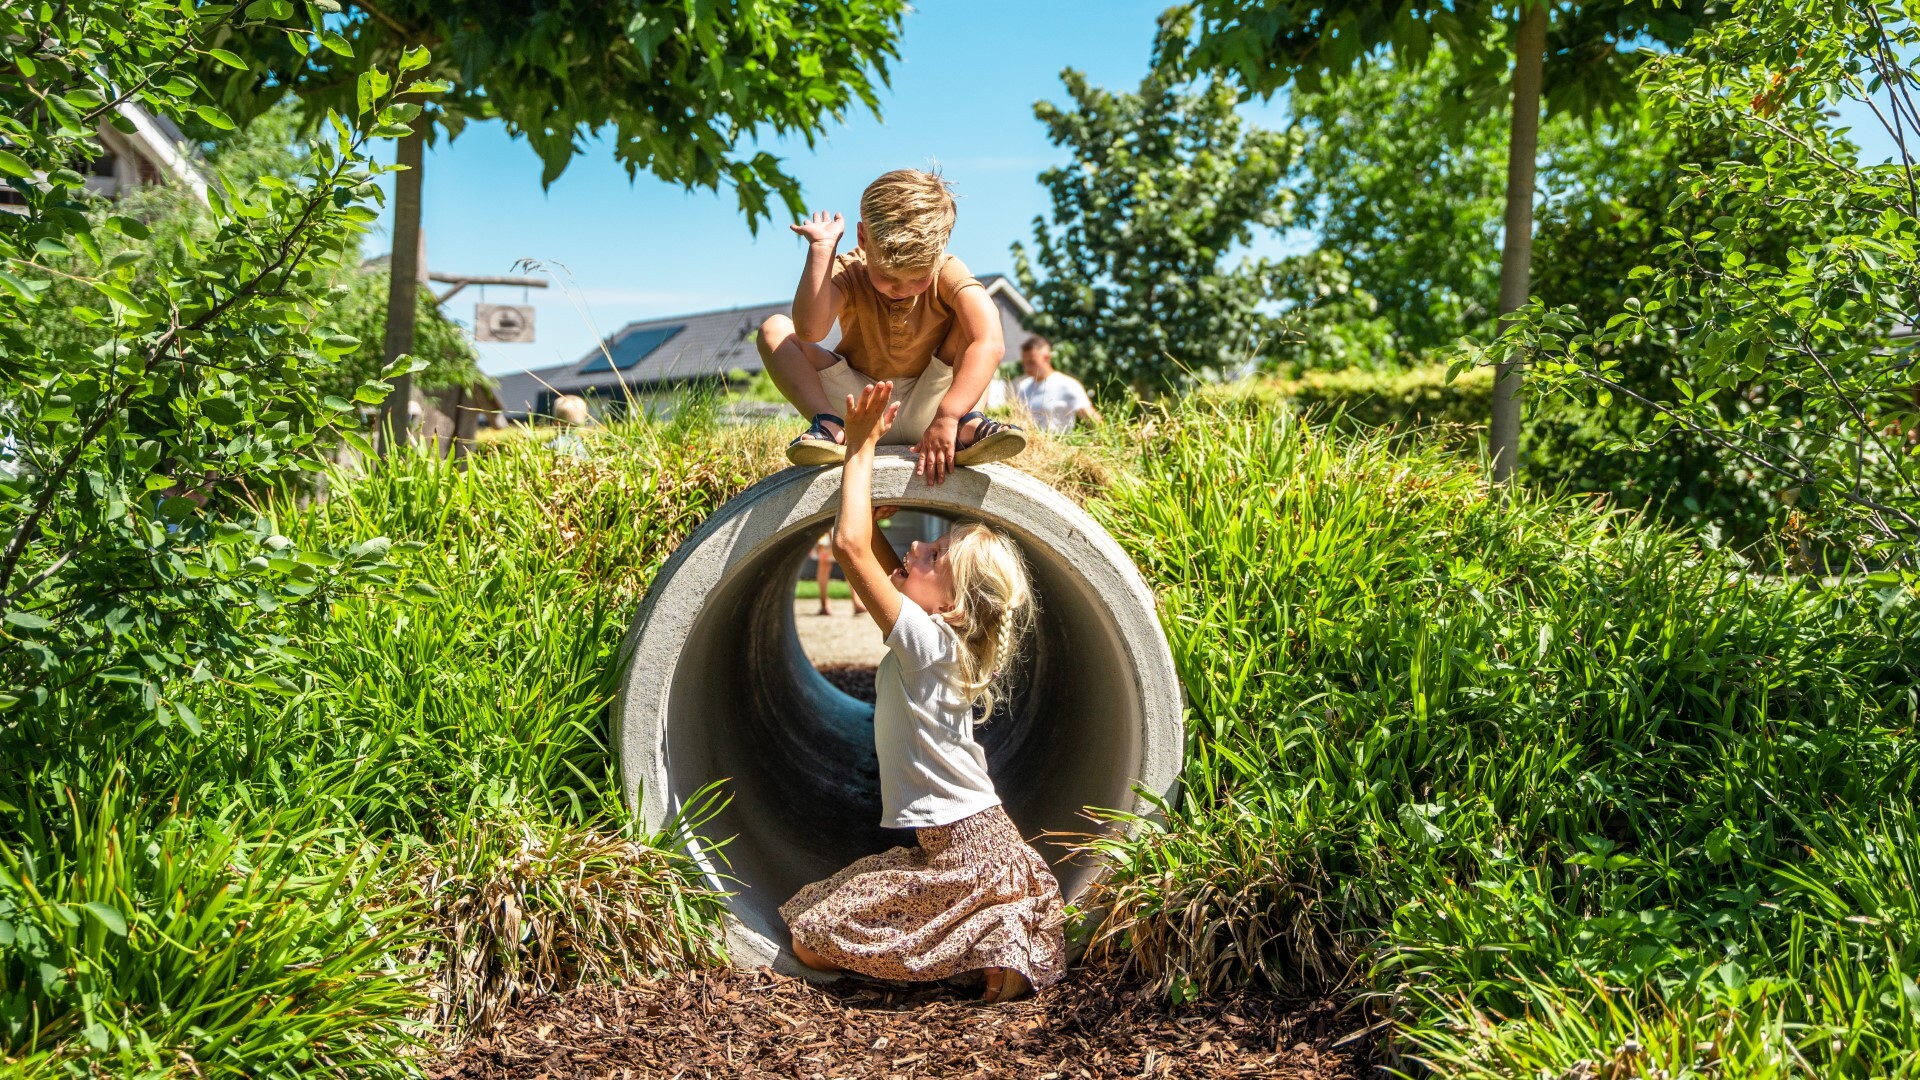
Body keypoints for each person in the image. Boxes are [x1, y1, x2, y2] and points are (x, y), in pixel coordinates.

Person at [780, 381, 1065, 1003]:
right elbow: (873, 563)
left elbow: (855, 552)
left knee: (811, 940)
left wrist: (859, 449)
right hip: (965, 844)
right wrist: (866, 521)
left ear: (956, 607)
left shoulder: (930, 643)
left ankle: (985, 946)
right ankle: (989, 939)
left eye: (933, 554)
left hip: (968, 846)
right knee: (816, 919)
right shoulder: (938, 638)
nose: (915, 547)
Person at [757, 169, 1027, 484]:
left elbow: (990, 341)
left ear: (938, 251)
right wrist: (821, 250)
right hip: (860, 404)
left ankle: (967, 423)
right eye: (888, 276)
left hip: (934, 403)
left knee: (976, 321)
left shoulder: (948, 269)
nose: (903, 288)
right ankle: (829, 424)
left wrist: (949, 413)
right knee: (774, 329)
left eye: (918, 278)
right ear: (862, 239)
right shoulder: (850, 270)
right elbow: (809, 332)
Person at [1013, 336, 1102, 434]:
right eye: (1024, 363)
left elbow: (1092, 419)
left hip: (1060, 445)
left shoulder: (1067, 385)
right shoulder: (1023, 387)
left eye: (1032, 362)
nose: (1027, 368)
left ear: (1046, 358)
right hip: (1031, 446)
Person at [812, 533, 866, 617]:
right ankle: (824, 603)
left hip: (834, 528)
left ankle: (856, 602)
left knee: (848, 562)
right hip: (826, 533)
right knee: (825, 563)